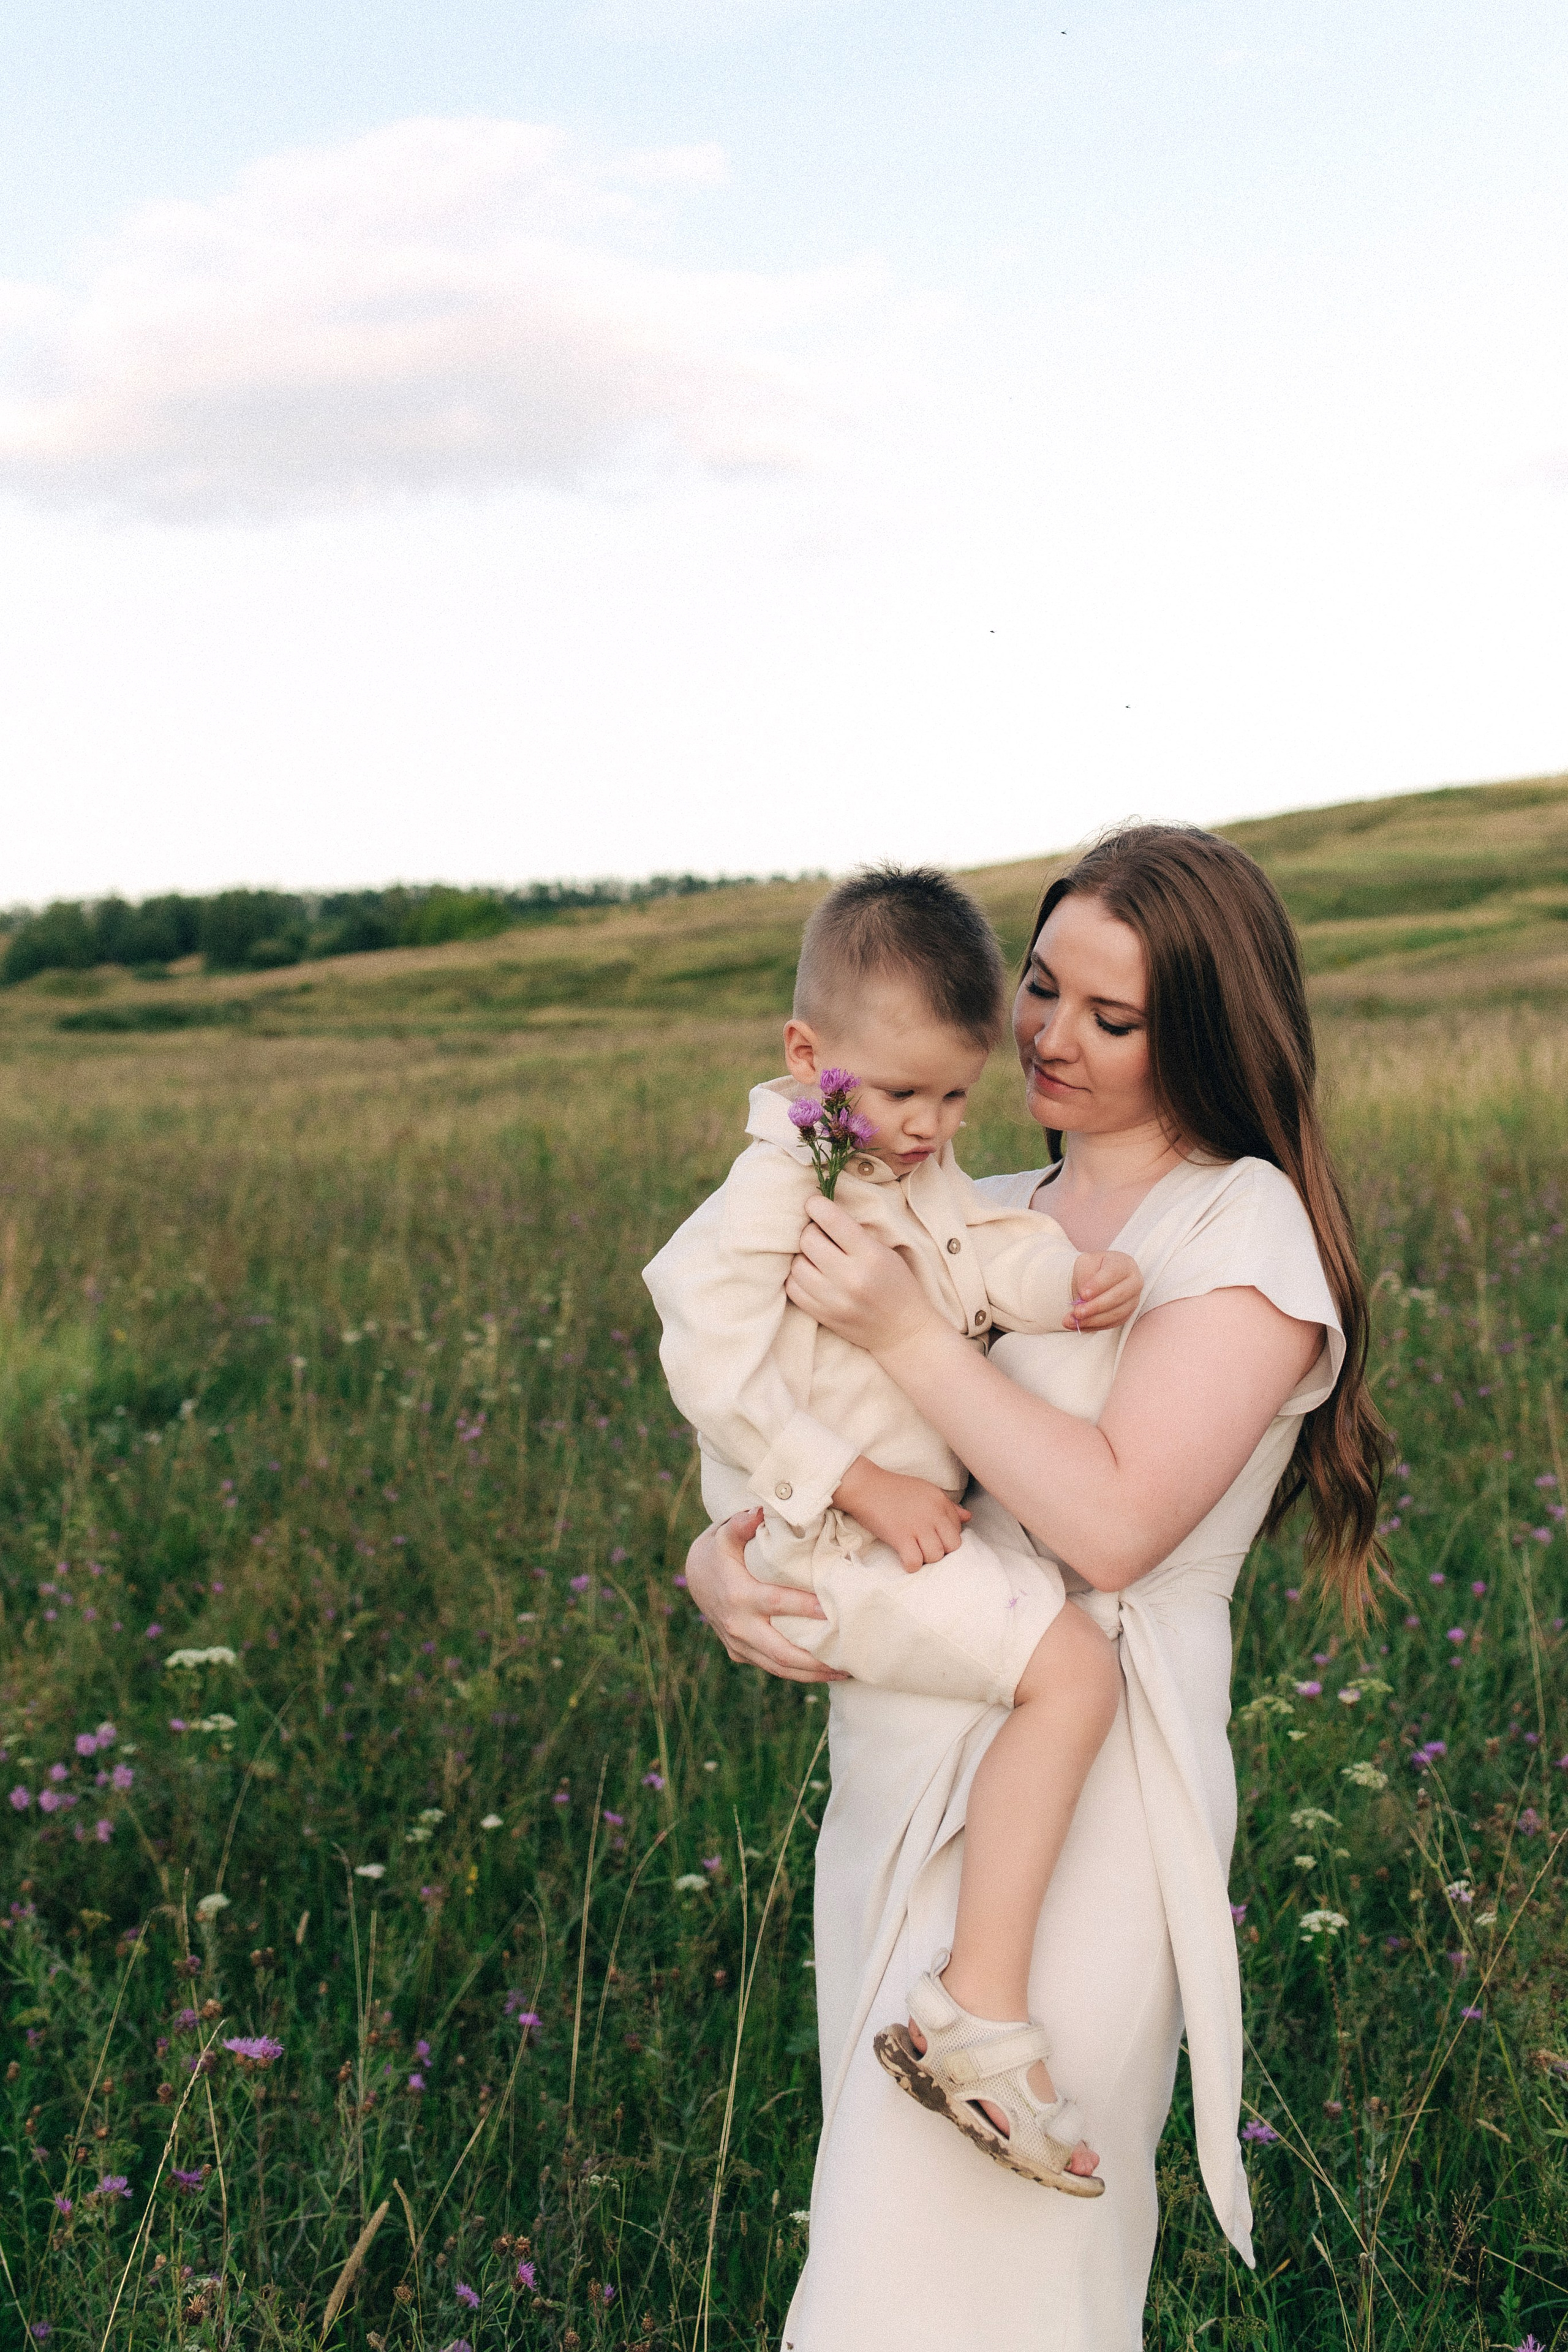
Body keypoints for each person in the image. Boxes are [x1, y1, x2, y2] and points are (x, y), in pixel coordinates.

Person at [683, 823, 1392, 2350]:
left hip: (1092, 1782)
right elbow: (777, 1392)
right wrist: (717, 1558)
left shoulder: (1237, 1225)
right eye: (1043, 986)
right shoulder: (968, 1194)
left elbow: (1114, 1524)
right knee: (881, 2255)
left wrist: (903, 1331)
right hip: (904, 1745)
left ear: (1199, 1030)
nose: (1049, 1037)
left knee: (961, 2284)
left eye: (1110, 1016)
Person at [644, 867, 1141, 2190]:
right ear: (807, 1057)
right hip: (833, 1542)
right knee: (1074, 1673)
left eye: (955, 1098)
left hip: (889, 1531)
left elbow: (976, 1250)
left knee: (1062, 1673)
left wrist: (1068, 1282)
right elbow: (712, 1373)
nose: (930, 1127)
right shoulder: (770, 1192)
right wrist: (862, 1483)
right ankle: (974, 2012)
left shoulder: (898, 1162)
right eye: (904, 1094)